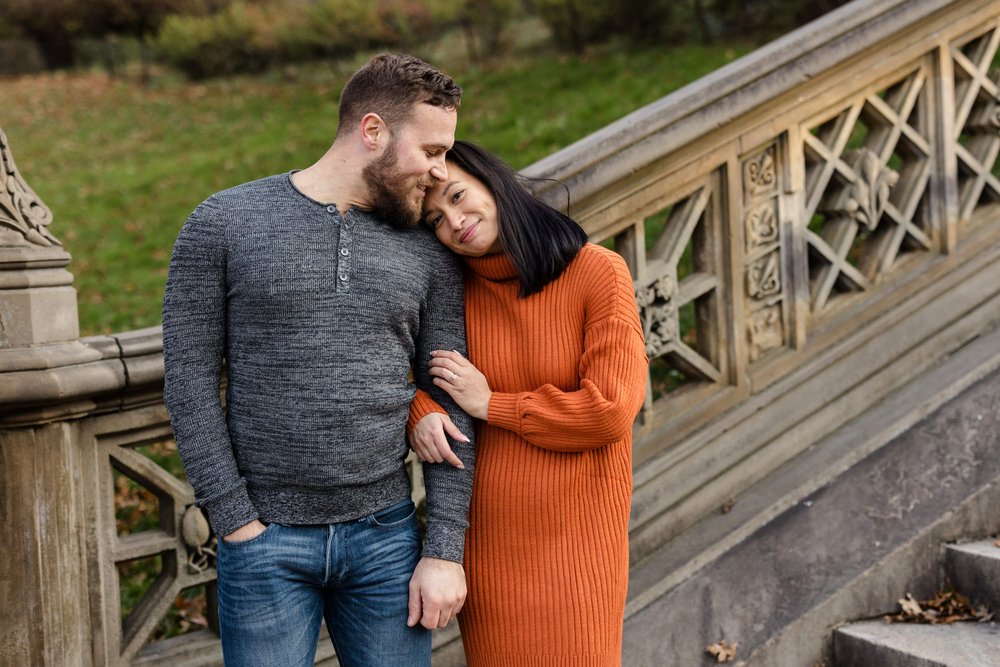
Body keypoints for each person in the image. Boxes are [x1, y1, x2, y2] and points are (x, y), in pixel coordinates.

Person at [162, 54, 476, 667]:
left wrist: (442, 549)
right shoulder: (223, 223)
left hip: (388, 540)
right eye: (433, 150)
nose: (440, 174)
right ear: (373, 131)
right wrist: (235, 521)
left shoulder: (428, 251)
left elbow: (450, 399)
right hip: (263, 543)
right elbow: (190, 383)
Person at [411, 140, 648, 665]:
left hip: (579, 539)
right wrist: (421, 415)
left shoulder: (597, 272)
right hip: (489, 539)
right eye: (435, 221)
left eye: (457, 195)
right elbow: (403, 377)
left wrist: (493, 403)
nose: (454, 221)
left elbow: (610, 408)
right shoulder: (453, 294)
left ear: (493, 182)